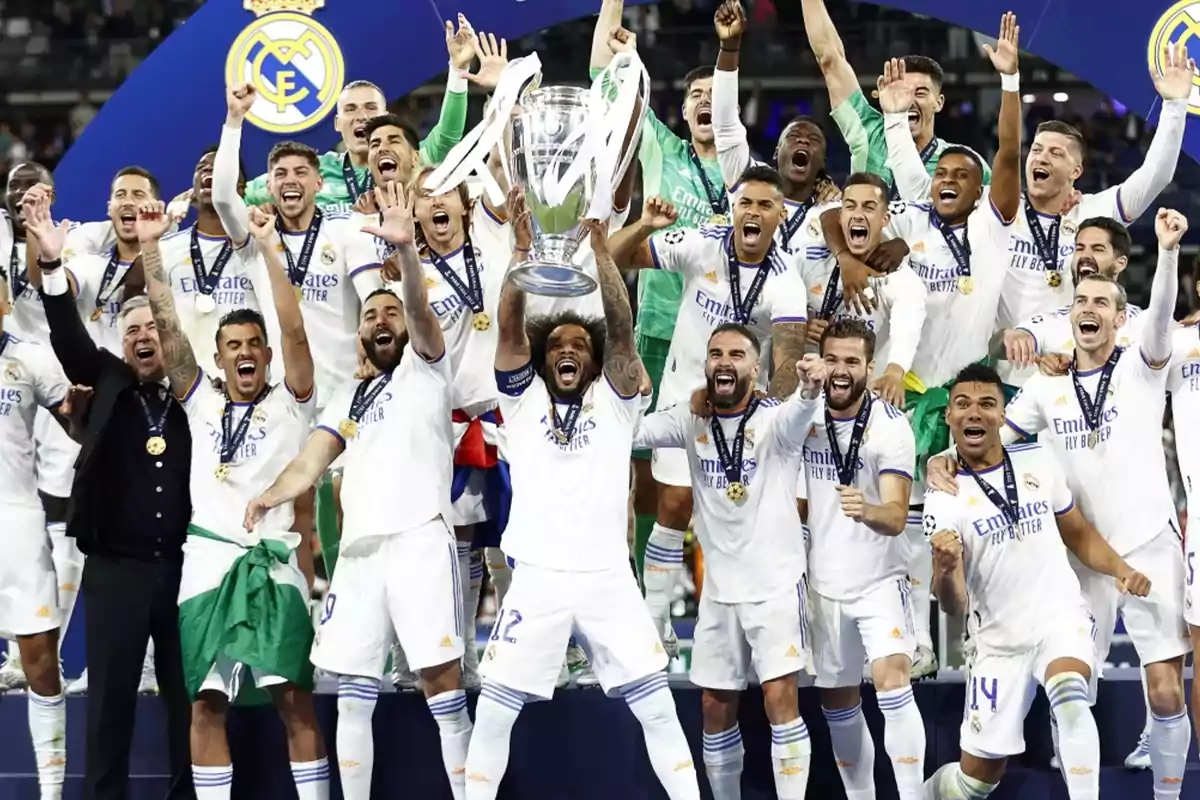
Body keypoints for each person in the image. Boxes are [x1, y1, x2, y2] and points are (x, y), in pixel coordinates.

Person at [931, 210, 1192, 797]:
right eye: (1081, 301)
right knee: (1073, 690)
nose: (1089, 309)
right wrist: (943, 456)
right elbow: (991, 436)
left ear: (1121, 318)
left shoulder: (1143, 366)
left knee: (1166, 691)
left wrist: (1168, 252)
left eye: (1103, 302)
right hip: (1080, 556)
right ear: (1070, 313)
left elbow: (1159, 325)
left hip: (1149, 544)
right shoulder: (1045, 387)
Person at [246, 182, 473, 800]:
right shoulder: (348, 395)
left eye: (389, 313)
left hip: (421, 540)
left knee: (443, 686)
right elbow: (313, 459)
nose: (380, 320)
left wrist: (405, 258)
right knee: (351, 693)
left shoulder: (428, 368)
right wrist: (270, 494)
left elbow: (424, 311)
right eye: (370, 314)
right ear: (359, 332)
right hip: (359, 557)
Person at [463, 208, 699, 800]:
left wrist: (601, 257)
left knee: (657, 708)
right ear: (546, 360)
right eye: (559, 345)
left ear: (593, 362)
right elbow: (511, 331)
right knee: (495, 712)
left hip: (607, 579)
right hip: (537, 578)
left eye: (579, 345)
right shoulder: (520, 401)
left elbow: (619, 330)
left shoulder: (618, 403)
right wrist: (519, 256)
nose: (569, 350)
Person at [137, 197, 330, 800]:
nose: (245, 353)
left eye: (253, 345)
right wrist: (149, 248)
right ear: (218, 359)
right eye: (233, 346)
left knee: (294, 700)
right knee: (205, 703)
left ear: (265, 356)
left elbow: (293, 324)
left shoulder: (292, 400)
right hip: (208, 566)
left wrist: (269, 249)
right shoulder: (200, 400)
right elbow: (168, 331)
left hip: (273, 563)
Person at [852, 12, 1023, 679]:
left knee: (969, 529)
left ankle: (978, 640)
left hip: (966, 399)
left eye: (962, 170)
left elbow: (1007, 155)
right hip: (904, 396)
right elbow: (898, 167)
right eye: (941, 171)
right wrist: (895, 116)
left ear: (981, 188)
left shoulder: (994, 227)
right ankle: (919, 644)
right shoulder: (913, 219)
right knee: (911, 530)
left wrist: (1009, 83)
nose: (948, 176)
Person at [25, 193, 194, 799]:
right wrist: (50, 269)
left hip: (182, 569)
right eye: (133, 331)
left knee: (188, 708)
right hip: (115, 570)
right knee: (109, 712)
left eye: (153, 327)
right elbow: (69, 335)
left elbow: (175, 330)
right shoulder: (108, 378)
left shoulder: (192, 387)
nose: (145, 337)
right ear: (122, 345)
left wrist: (152, 256)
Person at [921, 363, 1150, 800]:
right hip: (997, 645)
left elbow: (1078, 533)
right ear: (949, 416)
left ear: (1003, 415)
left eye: (987, 404)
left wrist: (1121, 569)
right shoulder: (943, 496)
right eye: (962, 404)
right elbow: (952, 605)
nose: (975, 413)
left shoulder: (1037, 460)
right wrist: (946, 568)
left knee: (1070, 695)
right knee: (973, 784)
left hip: (1058, 618)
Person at [609, 164, 809, 653]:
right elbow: (611, 259)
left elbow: (785, 363)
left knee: (736, 512)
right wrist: (644, 226)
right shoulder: (702, 243)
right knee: (672, 505)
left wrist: (762, 410)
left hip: (743, 411)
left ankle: (755, 619)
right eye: (746, 203)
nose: (754, 212)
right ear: (733, 208)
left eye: (765, 205)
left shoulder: (786, 282)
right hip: (685, 395)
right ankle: (653, 623)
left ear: (781, 215)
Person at [633, 323, 824, 800]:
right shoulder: (689, 418)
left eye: (737, 354)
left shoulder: (776, 419)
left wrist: (810, 386)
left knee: (780, 698)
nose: (724, 361)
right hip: (719, 593)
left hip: (776, 586)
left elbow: (801, 414)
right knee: (714, 705)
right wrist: (625, 389)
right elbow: (633, 430)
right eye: (716, 353)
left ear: (755, 369)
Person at [591, 0, 730, 620]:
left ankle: (715, 592)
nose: (704, 101)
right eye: (694, 95)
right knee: (650, 480)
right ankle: (652, 602)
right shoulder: (662, 150)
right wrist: (614, 22)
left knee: (718, 478)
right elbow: (606, 83)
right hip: (653, 330)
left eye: (713, 94)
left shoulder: (740, 167)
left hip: (723, 343)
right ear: (681, 110)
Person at [797, 319, 926, 800]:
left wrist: (866, 509)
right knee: (838, 701)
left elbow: (895, 516)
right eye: (832, 359)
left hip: (880, 580)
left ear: (870, 368)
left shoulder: (891, 428)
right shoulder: (803, 413)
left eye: (852, 361)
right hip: (822, 584)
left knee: (892, 678)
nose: (841, 370)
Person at [240, 14, 483, 213]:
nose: (361, 116)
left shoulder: (409, 161)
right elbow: (237, 197)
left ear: (386, 118)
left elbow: (448, 137)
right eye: (350, 109)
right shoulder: (312, 170)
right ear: (337, 123)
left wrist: (458, 69)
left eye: (370, 108)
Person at [0, 165, 83, 696]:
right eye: (13, 186)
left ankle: (42, 647)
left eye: (32, 185)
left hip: (51, 379)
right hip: (17, 382)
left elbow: (49, 282)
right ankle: (16, 654)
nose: (21, 192)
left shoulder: (72, 234)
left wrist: (38, 229)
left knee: (62, 521)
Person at [0, 247, 71, 799]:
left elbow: (75, 418)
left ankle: (50, 792)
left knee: (41, 663)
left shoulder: (31, 358)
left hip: (18, 524)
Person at [800, 0, 990, 202]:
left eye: (920, 93)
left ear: (939, 102)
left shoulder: (964, 162)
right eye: (901, 91)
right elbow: (830, 58)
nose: (908, 101)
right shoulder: (870, 134)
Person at [711, 0, 839, 252]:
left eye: (813, 140)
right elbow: (724, 125)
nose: (803, 141)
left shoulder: (833, 210)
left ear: (823, 162)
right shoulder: (748, 179)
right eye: (794, 137)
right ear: (775, 153)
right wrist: (729, 47)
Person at [798, 172, 927, 409]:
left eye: (869, 207)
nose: (858, 214)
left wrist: (895, 371)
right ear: (841, 215)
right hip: (805, 396)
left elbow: (907, 327)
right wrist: (799, 326)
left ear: (885, 219)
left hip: (860, 403)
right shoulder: (808, 259)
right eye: (850, 206)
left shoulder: (901, 281)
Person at [1002, 218, 1146, 367]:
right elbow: (997, 346)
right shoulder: (1054, 321)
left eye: (1097, 249)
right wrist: (1010, 336)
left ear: (1120, 263)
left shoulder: (1142, 322)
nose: (1085, 255)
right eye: (1079, 248)